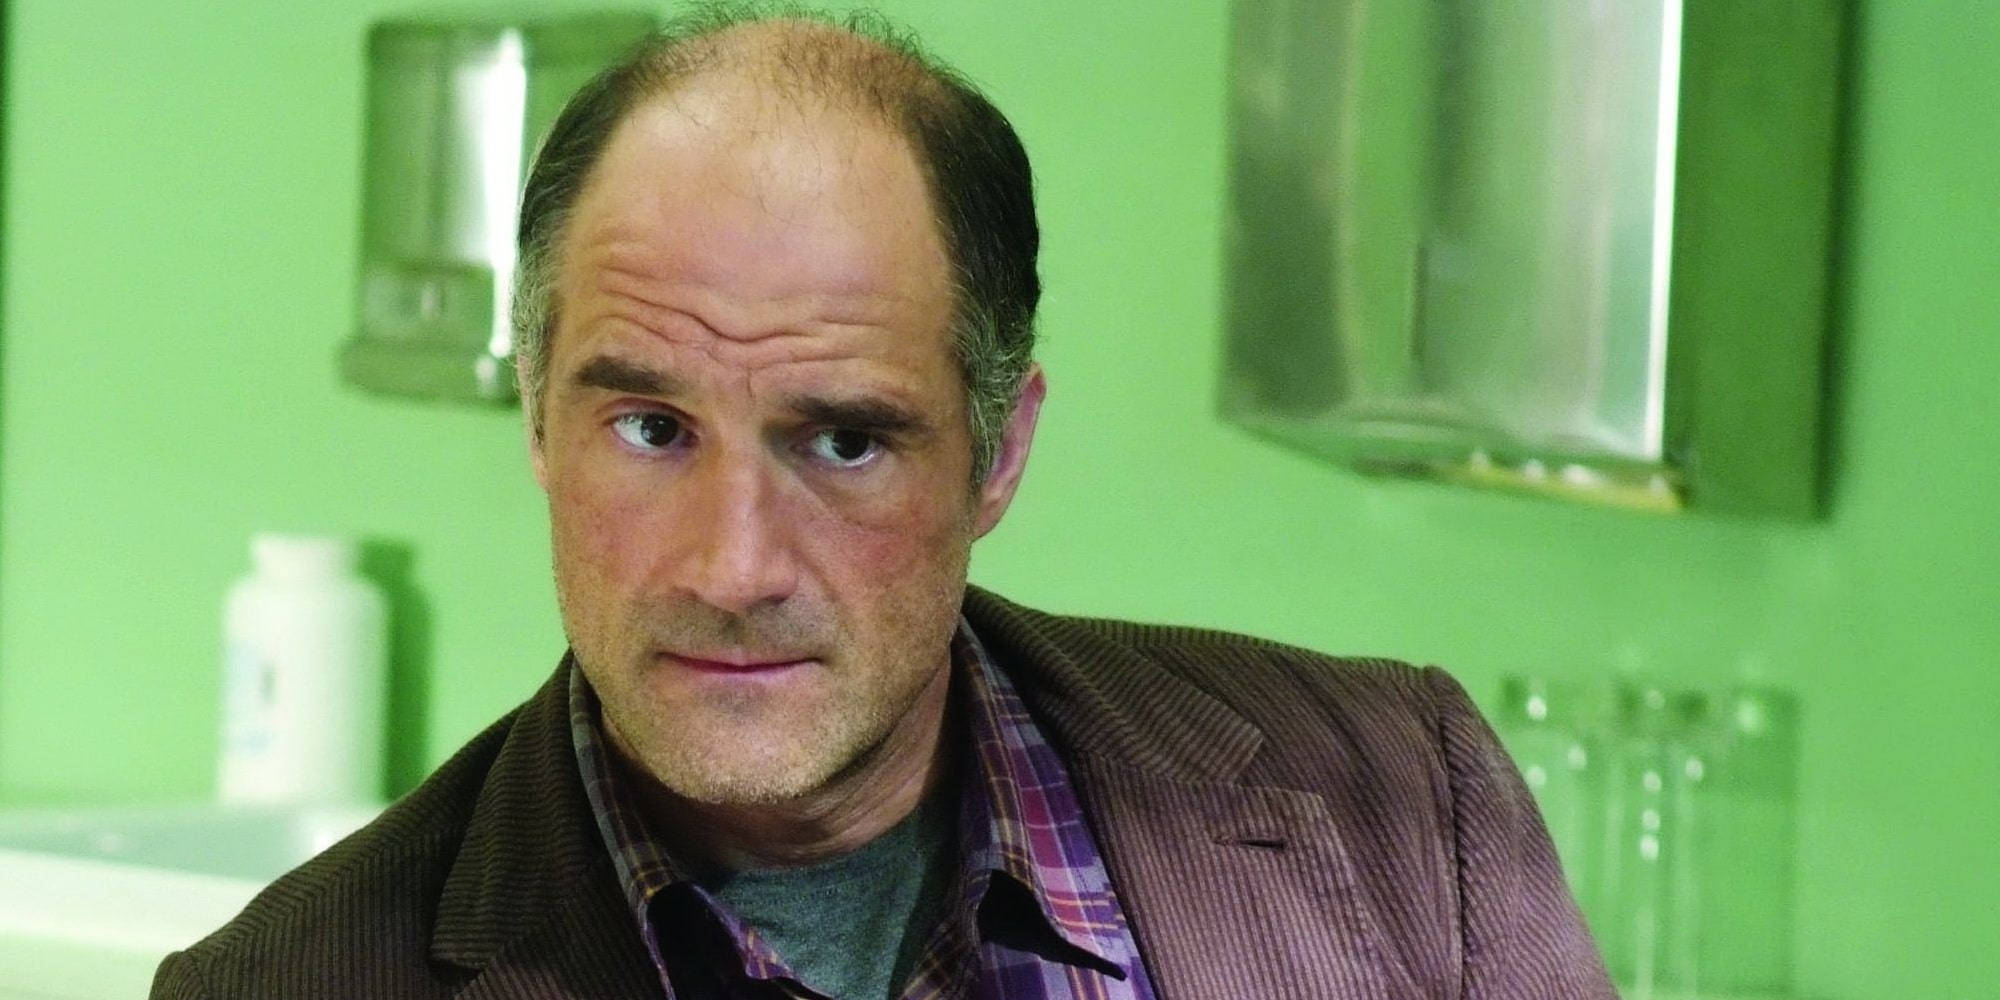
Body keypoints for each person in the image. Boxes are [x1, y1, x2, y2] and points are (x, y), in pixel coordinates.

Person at [153, 9, 1614, 1000]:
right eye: (651, 429)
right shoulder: (290, 982)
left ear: (998, 454)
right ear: (539, 416)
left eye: (845, 442)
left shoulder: (1402, 811)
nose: (731, 566)